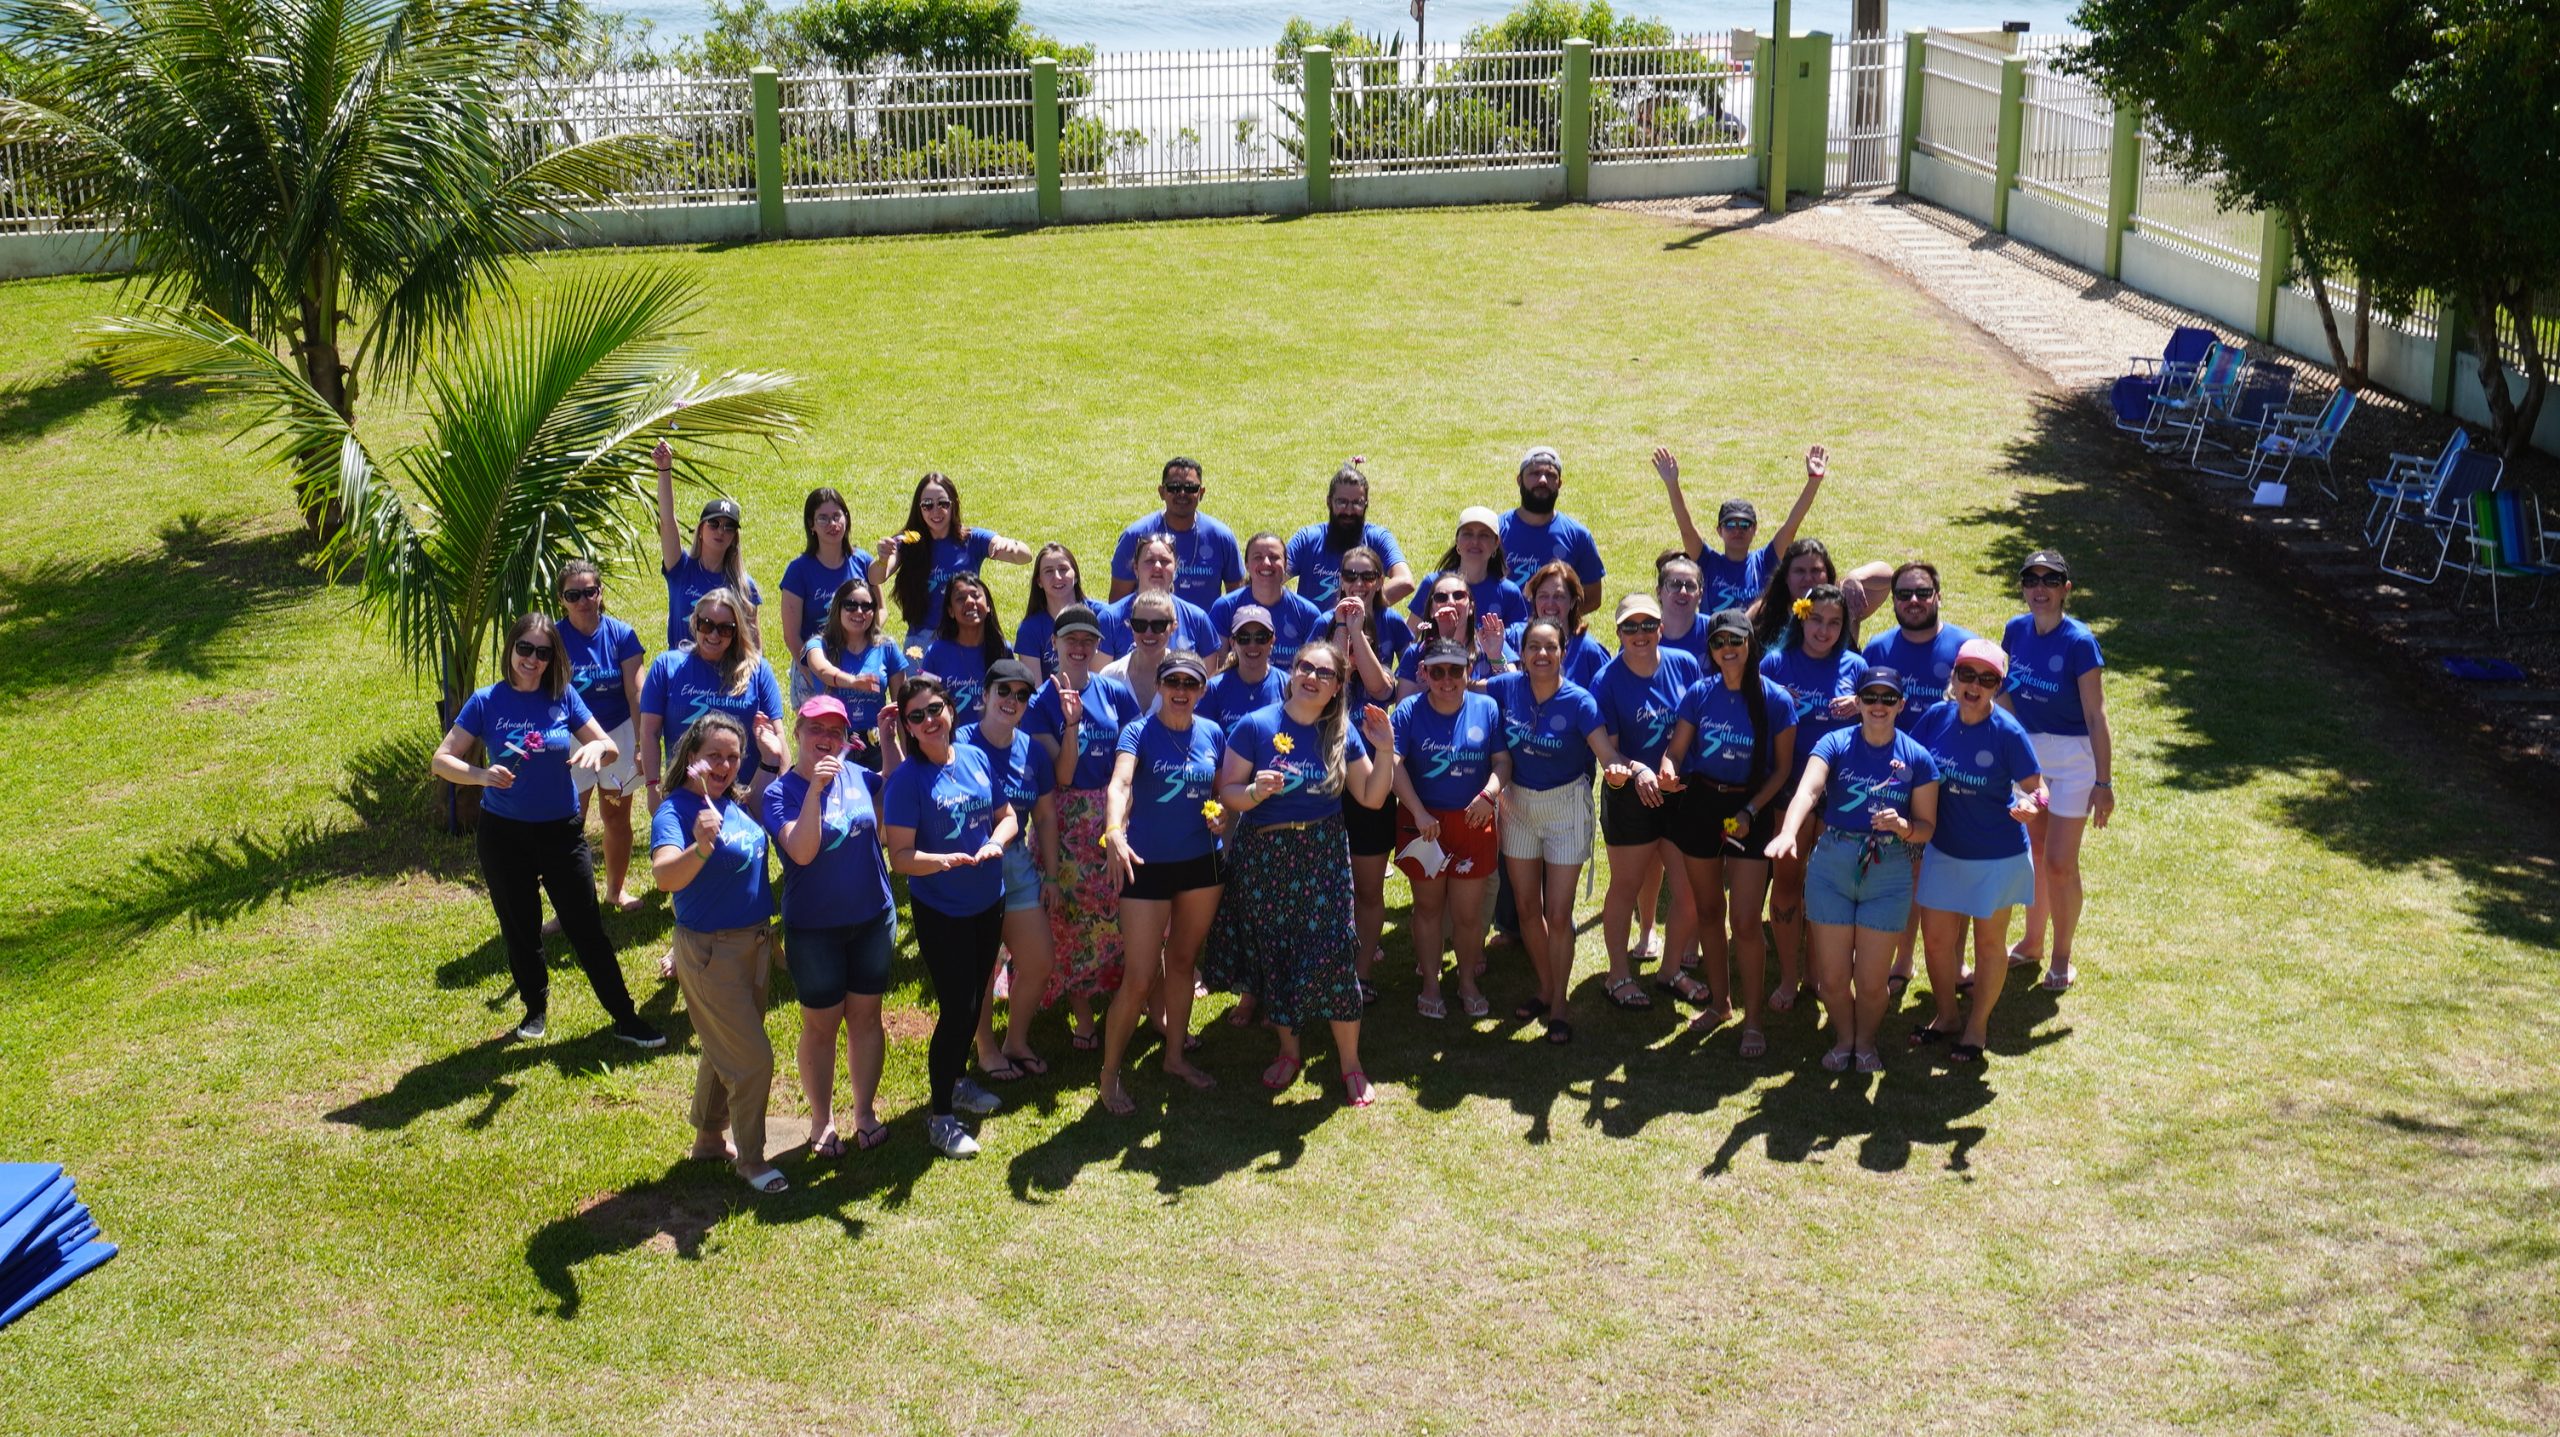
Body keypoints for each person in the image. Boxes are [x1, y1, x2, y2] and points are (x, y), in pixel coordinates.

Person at [434, 613, 662, 1046]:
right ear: (511, 649)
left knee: (586, 927)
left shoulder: (564, 697)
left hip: (560, 831)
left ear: (552, 657)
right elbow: (442, 760)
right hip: (503, 834)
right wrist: (482, 775)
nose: (532, 660)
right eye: (525, 649)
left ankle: (625, 1017)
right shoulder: (486, 701)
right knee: (520, 924)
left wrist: (597, 748)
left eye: (542, 652)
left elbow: (609, 745)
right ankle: (534, 1007)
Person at [1204, 641, 1397, 1104]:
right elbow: (1227, 790)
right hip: (1266, 854)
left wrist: (1387, 749)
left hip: (1322, 853)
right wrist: (1254, 791)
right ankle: (1289, 1051)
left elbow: (1371, 795)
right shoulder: (1257, 726)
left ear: (1335, 688)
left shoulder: (1341, 733)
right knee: (1277, 954)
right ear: (1292, 672)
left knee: (1333, 950)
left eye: (1324, 673)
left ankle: (1350, 1064)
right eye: (1305, 667)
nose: (1311, 677)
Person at [1765, 668, 1941, 1074]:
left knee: (1873, 983)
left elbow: (1928, 828)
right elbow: (1808, 789)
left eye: (1886, 698)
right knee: (1831, 979)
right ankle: (1844, 1038)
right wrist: (1789, 832)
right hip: (1832, 865)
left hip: (1890, 870)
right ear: (1858, 702)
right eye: (1870, 697)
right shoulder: (1834, 742)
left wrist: (1904, 828)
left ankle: (1865, 1042)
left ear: (1901, 704)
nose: (1878, 705)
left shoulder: (1918, 759)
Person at [879, 674, 1015, 1160]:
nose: (929, 720)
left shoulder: (976, 757)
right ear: (908, 729)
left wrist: (997, 841)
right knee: (957, 1008)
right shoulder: (906, 782)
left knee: (976, 1001)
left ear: (951, 709)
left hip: (988, 898)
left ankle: (958, 1081)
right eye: (916, 716)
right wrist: (943, 862)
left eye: (934, 708)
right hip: (943, 909)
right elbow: (900, 856)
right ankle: (940, 1117)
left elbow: (1007, 814)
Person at [648, 713, 785, 1193]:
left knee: (721, 1047)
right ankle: (751, 1160)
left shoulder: (730, 804)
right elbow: (665, 876)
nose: (725, 765)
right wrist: (701, 848)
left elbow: (773, 791)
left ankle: (709, 1138)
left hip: (753, 946)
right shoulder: (678, 812)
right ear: (691, 759)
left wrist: (771, 756)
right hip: (710, 952)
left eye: (733, 756)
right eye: (714, 756)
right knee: (752, 1060)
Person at [1657, 608, 1798, 1057]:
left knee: (1744, 921)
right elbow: (1676, 751)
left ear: (1749, 643)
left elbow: (1782, 771)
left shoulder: (1775, 699)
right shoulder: (1700, 693)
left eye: (1735, 640)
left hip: (1749, 808)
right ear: (1712, 650)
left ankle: (1753, 1020)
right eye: (1718, 643)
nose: (1727, 649)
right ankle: (1721, 1005)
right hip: (1701, 803)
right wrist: (1666, 770)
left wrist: (1751, 810)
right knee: (1708, 911)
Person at [762, 697, 896, 1156]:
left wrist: (891, 739)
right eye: (816, 729)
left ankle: (864, 1111)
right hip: (815, 929)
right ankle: (822, 1119)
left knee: (866, 1018)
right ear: (797, 733)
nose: (826, 739)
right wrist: (815, 792)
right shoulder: (779, 794)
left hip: (872, 918)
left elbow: (893, 790)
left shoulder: (859, 775)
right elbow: (801, 852)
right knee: (821, 1026)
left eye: (835, 732)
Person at [1096, 651, 1227, 1115]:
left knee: (1185, 961)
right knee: (1140, 975)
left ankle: (1174, 1058)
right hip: (1145, 864)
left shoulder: (1211, 733)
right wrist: (1114, 830)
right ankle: (1110, 1073)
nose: (1180, 690)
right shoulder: (1138, 732)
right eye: (1172, 681)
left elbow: (1220, 793)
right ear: (1159, 685)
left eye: (1190, 684)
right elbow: (1121, 784)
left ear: (1201, 691)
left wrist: (1223, 816)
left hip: (1200, 866)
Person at [1488, 619, 1628, 1043]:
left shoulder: (1580, 701)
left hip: (1566, 806)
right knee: (1528, 908)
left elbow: (1606, 754)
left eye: (1550, 647)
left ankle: (1561, 1005)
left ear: (1564, 651)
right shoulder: (1506, 687)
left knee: (1558, 913)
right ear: (1523, 652)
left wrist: (1620, 772)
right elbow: (1460, 691)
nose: (1542, 655)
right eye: (1533, 647)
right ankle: (1546, 988)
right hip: (1517, 804)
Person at [1911, 640, 2045, 1063]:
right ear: (1953, 675)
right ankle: (1947, 1015)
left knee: (1990, 946)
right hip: (1944, 850)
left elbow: (2039, 788)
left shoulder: (2007, 732)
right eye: (1967, 674)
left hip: (1996, 857)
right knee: (1935, 941)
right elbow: (1909, 762)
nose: (1974, 685)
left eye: (1986, 679)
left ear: (1997, 685)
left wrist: (2031, 806)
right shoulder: (1936, 718)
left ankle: (1977, 1027)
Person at [1999, 550, 2114, 992]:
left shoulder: (2080, 641)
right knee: (2036, 852)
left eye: (2050, 581)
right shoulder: (2014, 630)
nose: (2040, 589)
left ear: (2066, 589)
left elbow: (2095, 715)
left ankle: (2062, 954)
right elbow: (2005, 691)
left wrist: (2103, 782)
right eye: (2032, 580)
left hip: (2073, 761)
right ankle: (2031, 943)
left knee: (2061, 863)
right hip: (2028, 757)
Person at [1024, 605, 1138, 1049]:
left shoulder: (1114, 691)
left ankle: (1122, 993)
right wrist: (1071, 724)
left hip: (1112, 814)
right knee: (1070, 918)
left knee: (1116, 908)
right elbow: (1062, 775)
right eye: (1070, 639)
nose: (1079, 647)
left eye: (1088, 641)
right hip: (1067, 822)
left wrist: (1122, 816)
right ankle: (1082, 1012)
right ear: (1054, 645)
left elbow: (1131, 756)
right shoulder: (1039, 703)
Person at [1862, 560, 1977, 991]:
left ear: (1938, 596)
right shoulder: (1877, 649)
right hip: (1893, 784)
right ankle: (1903, 960)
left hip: (1954, 783)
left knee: (1955, 874)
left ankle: (1957, 962)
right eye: (1905, 594)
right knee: (1906, 877)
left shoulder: (1965, 648)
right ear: (1892, 601)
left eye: (1923, 593)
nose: (1914, 601)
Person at [1760, 583, 1871, 1014]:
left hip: (1842, 791)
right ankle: (1789, 977)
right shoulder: (1776, 662)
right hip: (1788, 787)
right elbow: (1750, 714)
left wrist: (1861, 707)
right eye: (1817, 620)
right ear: (1801, 617)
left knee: (1826, 888)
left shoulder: (1857, 667)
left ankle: (1818, 973)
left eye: (1834, 623)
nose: (1824, 630)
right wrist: (1775, 703)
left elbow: (1882, 720)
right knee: (1787, 882)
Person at [1591, 593, 1703, 1011]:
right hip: (1629, 796)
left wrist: (1675, 770)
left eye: (1647, 625)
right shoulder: (1606, 680)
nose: (1639, 634)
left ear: (1661, 627)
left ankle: (1670, 969)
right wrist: (1640, 771)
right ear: (1618, 633)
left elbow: (1693, 726)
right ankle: (1617, 975)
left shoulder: (1685, 665)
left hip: (1678, 793)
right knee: (1626, 885)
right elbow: (1611, 751)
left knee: (1688, 889)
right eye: (1629, 627)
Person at [1392, 638, 1510, 1020]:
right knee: (1427, 909)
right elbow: (1392, 767)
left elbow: (1502, 762)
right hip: (1423, 824)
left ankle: (1466, 981)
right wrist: (1419, 812)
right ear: (1424, 673)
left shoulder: (1486, 707)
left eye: (1455, 671)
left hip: (1474, 821)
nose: (1446, 680)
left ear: (1468, 671)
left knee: (1469, 913)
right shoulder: (1408, 710)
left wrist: (1489, 795)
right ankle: (1430, 983)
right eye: (1437, 671)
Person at [959, 658, 1057, 1082]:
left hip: (1017, 865)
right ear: (985, 694)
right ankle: (986, 1048)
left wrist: (1051, 876)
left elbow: (1047, 817)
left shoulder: (1033, 751)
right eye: (1004, 691)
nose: (1012, 701)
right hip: (969, 866)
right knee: (979, 967)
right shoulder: (959, 743)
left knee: (1038, 962)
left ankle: (1016, 1040)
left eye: (1021, 695)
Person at [554, 560, 647, 914]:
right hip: (571, 738)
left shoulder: (622, 635)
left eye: (589, 592)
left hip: (618, 734)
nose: (583, 601)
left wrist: (641, 744)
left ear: (600, 592)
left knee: (616, 818)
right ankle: (570, 906)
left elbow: (636, 694)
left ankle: (615, 891)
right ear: (562, 599)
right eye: (573, 594)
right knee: (568, 824)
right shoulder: (553, 638)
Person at [638, 588, 786, 803]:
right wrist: (653, 787)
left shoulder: (758, 670)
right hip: (684, 791)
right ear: (694, 622)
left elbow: (778, 735)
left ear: (736, 631)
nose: (714, 635)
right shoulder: (667, 666)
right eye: (706, 625)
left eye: (725, 629)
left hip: (744, 795)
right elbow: (649, 732)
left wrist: (782, 787)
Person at [1655, 443, 1830, 612]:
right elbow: (1686, 528)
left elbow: (1792, 525)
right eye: (1730, 524)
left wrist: (1813, 482)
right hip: (1717, 641)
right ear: (1719, 530)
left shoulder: (1766, 561)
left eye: (1745, 525)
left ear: (1755, 529)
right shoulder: (1707, 563)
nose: (1737, 530)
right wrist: (1672, 484)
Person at [877, 472, 1030, 643]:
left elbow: (1025, 557)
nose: (936, 511)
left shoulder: (973, 539)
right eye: (927, 505)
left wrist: (1009, 545)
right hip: (922, 639)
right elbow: (877, 577)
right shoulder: (908, 542)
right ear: (919, 508)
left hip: (966, 634)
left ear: (954, 505)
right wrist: (883, 559)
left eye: (943, 503)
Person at [654, 440, 760, 650]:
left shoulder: (743, 585)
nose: (721, 531)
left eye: (729, 527)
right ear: (700, 530)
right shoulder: (681, 569)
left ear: (734, 539)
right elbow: (666, 521)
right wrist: (664, 468)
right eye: (714, 524)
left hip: (726, 676)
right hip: (683, 673)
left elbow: (754, 648)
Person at [1109, 456, 1245, 608]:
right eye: (1174, 487)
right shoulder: (1135, 536)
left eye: (1190, 488)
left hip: (1204, 630)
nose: (1182, 493)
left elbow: (1237, 599)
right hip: (1150, 629)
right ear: (1161, 492)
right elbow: (1117, 604)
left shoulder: (1221, 537)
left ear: (1201, 493)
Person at [777, 486, 870, 705]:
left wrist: (867, 642)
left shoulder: (862, 561)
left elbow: (880, 609)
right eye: (823, 519)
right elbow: (791, 636)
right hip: (813, 666)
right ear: (811, 525)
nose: (832, 524)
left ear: (846, 518)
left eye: (837, 516)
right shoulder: (798, 571)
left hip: (856, 661)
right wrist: (811, 675)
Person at [801, 577, 904, 767]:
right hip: (831, 741)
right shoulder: (818, 645)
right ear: (838, 608)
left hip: (876, 743)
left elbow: (901, 708)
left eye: (867, 606)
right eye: (850, 605)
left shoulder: (887, 648)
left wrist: (906, 757)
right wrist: (853, 681)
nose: (859, 611)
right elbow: (823, 670)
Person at [1287, 462, 1417, 608]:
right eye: (1342, 502)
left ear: (1366, 504)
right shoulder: (1308, 539)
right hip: (1314, 629)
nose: (1349, 511)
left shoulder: (1377, 538)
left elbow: (1405, 581)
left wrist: (1360, 608)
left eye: (1357, 503)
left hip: (1363, 629)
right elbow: (1269, 580)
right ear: (1329, 502)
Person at [1499, 445, 1605, 615]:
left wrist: (1559, 623)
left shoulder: (1578, 536)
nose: (1542, 480)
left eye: (1550, 475)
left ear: (1559, 484)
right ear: (1519, 480)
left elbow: (1593, 597)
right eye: (1534, 473)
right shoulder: (1494, 531)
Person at [1747, 537, 1895, 651]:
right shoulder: (1765, 610)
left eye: (1816, 571)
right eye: (1799, 571)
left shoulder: (1843, 605)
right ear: (1786, 577)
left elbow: (1889, 576)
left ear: (1828, 575)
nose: (1808, 578)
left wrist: (1855, 577)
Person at [1209, 532, 1324, 670]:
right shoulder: (1225, 607)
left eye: (1274, 557)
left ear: (1286, 564)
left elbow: (1313, 669)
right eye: (1258, 557)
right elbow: (1217, 669)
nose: (1266, 563)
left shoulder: (1308, 613)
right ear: (1246, 565)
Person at [914, 571, 1012, 727]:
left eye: (976, 595)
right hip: (953, 743)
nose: (969, 601)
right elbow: (925, 701)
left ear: (988, 606)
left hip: (996, 739)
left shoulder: (1003, 650)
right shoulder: (937, 652)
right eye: (960, 598)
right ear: (951, 611)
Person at [1099, 533, 1220, 656]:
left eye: (1164, 561)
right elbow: (1100, 674)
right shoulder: (1110, 620)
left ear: (1176, 568)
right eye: (1149, 561)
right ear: (1136, 568)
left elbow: (1209, 674)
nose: (1157, 567)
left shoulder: (1198, 620)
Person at [1397, 571, 1514, 698]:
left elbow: (1513, 691)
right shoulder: (1416, 654)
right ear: (1431, 610)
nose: (1451, 602)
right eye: (1441, 597)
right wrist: (1422, 689)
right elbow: (1402, 711)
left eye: (1459, 595)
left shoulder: (1491, 643)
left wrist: (1496, 657)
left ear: (1471, 607)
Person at [1411, 506, 1527, 628]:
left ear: (1496, 543)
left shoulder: (1509, 592)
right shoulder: (1433, 584)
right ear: (1457, 540)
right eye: (1468, 534)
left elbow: (1518, 641)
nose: (1475, 541)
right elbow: (1410, 637)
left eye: (1484, 535)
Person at [1508, 561, 1610, 689]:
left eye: (1559, 596)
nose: (1550, 604)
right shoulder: (1516, 636)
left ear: (1572, 601)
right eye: (1543, 596)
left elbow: (1608, 698)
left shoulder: (1590, 651)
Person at [1014, 542, 1104, 679]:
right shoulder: (1030, 629)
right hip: (1052, 698)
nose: (1057, 577)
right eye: (1049, 571)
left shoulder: (1102, 616)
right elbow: (1034, 692)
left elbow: (1102, 680)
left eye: (1063, 569)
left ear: (1076, 576)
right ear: (1039, 581)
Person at [1200, 604, 1288, 730]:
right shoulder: (1214, 689)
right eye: (1244, 638)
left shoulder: (1287, 686)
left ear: (1272, 641)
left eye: (1261, 637)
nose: (1252, 645)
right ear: (1233, 643)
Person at [1100, 590, 1181, 713]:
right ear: (1131, 627)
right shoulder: (1110, 676)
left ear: (1173, 627)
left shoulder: (1185, 679)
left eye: (1158, 625)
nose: (1148, 633)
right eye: (1140, 625)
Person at [1654, 551, 1711, 665]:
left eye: (1690, 586)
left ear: (1700, 595)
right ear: (1659, 592)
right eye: (1675, 585)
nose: (1683, 592)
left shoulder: (1713, 631)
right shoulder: (1643, 632)